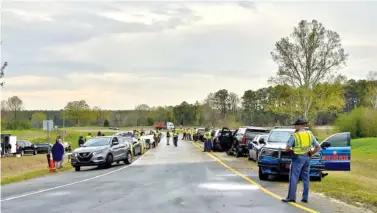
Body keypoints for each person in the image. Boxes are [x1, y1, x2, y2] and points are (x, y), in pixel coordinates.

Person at [281, 118, 321, 203]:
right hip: (307, 158)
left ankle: (291, 197)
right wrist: (311, 153)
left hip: (297, 159)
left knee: (294, 177)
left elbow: (287, 148)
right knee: (306, 178)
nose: (295, 126)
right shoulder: (310, 134)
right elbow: (318, 147)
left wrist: (286, 150)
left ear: (300, 125)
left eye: (296, 125)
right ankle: (305, 198)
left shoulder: (295, 135)